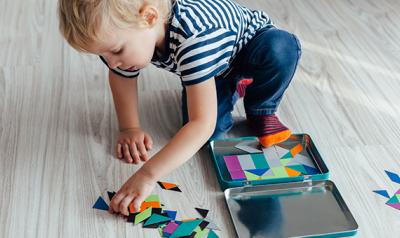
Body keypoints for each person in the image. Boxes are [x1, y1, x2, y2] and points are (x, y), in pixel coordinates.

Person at [58, 0, 301, 216]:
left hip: (253, 46)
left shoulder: (193, 37)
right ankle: (232, 84)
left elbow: (200, 124)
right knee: (212, 138)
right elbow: (120, 77)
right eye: (102, 54)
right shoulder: (128, 34)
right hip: (212, 68)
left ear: (150, 18)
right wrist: (129, 127)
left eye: (117, 50)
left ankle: (262, 108)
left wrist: (147, 175)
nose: (111, 62)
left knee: (280, 48)